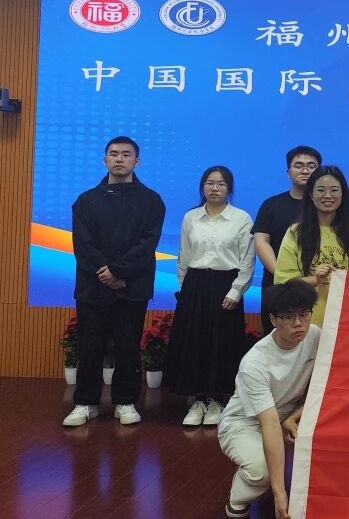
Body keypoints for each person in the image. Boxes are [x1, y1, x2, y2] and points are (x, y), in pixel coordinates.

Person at [63, 136, 166, 428]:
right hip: (92, 287)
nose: (119, 159)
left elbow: (147, 244)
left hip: (131, 288)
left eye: (126, 154)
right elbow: (83, 244)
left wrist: (119, 273)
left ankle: (125, 402)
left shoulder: (151, 200)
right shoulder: (86, 201)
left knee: (128, 346)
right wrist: (107, 274)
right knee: (90, 346)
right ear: (105, 159)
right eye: (113, 154)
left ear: (137, 161)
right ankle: (86, 403)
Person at [218, 279, 321, 519]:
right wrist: (279, 492)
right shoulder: (255, 363)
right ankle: (236, 500)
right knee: (261, 472)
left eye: (304, 314)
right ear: (273, 320)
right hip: (245, 423)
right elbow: (269, 423)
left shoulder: (314, 335)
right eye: (288, 317)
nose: (298, 323)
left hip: (286, 416)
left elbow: (328, 384)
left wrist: (294, 418)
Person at [165, 166, 255, 428]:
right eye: (210, 183)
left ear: (229, 188)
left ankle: (217, 400)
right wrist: (183, 288)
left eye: (221, 184)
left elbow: (247, 260)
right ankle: (198, 401)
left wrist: (237, 290)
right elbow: (183, 255)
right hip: (195, 285)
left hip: (226, 285)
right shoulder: (191, 217)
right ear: (202, 186)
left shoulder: (241, 218)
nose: (215, 188)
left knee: (221, 342)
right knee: (194, 342)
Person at [274, 166, 349, 327]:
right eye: (321, 190)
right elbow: (283, 281)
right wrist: (315, 279)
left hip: (344, 319)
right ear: (310, 195)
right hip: (306, 320)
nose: (328, 195)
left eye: (334, 190)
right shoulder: (296, 232)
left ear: (343, 194)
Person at [253, 146, 322, 334]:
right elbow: (261, 240)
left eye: (311, 166)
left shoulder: (326, 206)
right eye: (298, 166)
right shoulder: (271, 205)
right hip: (278, 287)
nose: (305, 170)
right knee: (277, 339)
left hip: (319, 287)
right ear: (288, 171)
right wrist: (282, 273)